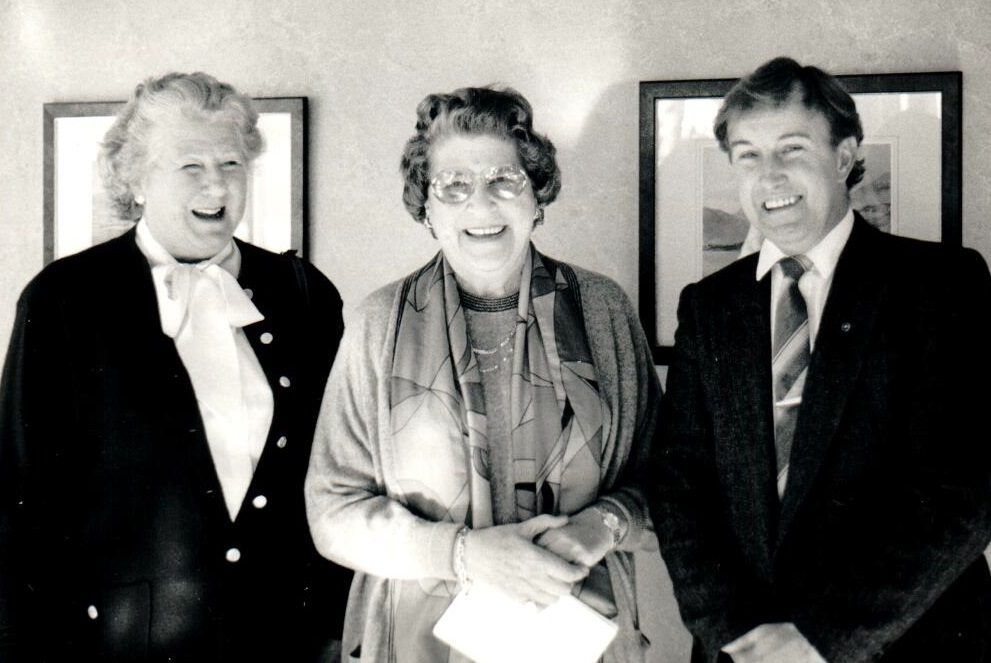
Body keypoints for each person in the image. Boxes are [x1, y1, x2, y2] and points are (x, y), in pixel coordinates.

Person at [648, 56, 991, 663]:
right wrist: (735, 635)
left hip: (907, 647)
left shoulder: (941, 285)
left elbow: (964, 492)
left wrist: (820, 641)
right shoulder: (708, 307)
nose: (769, 176)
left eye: (792, 149)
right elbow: (680, 488)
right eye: (748, 156)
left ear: (842, 157)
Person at [0, 72, 352, 662]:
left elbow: (341, 471)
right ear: (135, 179)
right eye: (190, 165)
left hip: (284, 643)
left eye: (232, 163)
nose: (216, 184)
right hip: (119, 650)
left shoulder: (304, 295)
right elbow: (20, 499)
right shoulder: (65, 300)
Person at [304, 85, 660, 662]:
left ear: (536, 196)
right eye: (454, 186)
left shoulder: (602, 310)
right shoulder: (378, 323)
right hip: (416, 642)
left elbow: (666, 477)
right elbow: (332, 511)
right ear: (426, 207)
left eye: (504, 180)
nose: (481, 205)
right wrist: (465, 555)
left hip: (582, 640)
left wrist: (603, 525)